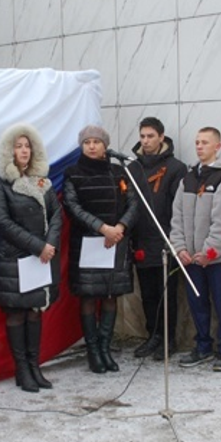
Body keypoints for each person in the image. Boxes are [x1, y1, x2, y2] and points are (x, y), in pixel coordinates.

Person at [0, 123, 63, 393]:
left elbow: (56, 215)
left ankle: (34, 366)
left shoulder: (43, 182)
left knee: (35, 311)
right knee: (17, 313)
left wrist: (49, 244)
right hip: (14, 260)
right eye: (18, 146)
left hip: (41, 257)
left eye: (27, 146)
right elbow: (3, 223)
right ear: (9, 151)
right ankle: (22, 370)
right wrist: (37, 246)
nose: (24, 150)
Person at [64, 124, 140, 373]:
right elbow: (73, 207)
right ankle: (93, 351)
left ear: (105, 146)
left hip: (115, 241)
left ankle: (106, 349)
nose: (92, 146)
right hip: (88, 242)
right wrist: (102, 228)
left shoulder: (118, 171)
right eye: (87, 142)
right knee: (89, 296)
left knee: (110, 295)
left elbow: (133, 202)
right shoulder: (73, 173)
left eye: (96, 142)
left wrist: (120, 227)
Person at [170, 127, 221, 372]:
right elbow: (176, 218)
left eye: (205, 142)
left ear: (217, 147)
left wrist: (209, 252)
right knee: (197, 304)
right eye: (197, 142)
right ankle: (202, 346)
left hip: (216, 259)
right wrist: (179, 248)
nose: (199, 146)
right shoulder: (187, 180)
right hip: (190, 259)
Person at [128, 117, 188, 361]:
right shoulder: (132, 168)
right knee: (148, 293)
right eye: (142, 136)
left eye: (151, 136)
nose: (146, 141)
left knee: (167, 294)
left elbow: (178, 206)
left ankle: (168, 338)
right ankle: (152, 335)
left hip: (165, 239)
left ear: (162, 137)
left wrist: (174, 238)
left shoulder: (176, 168)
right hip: (141, 240)